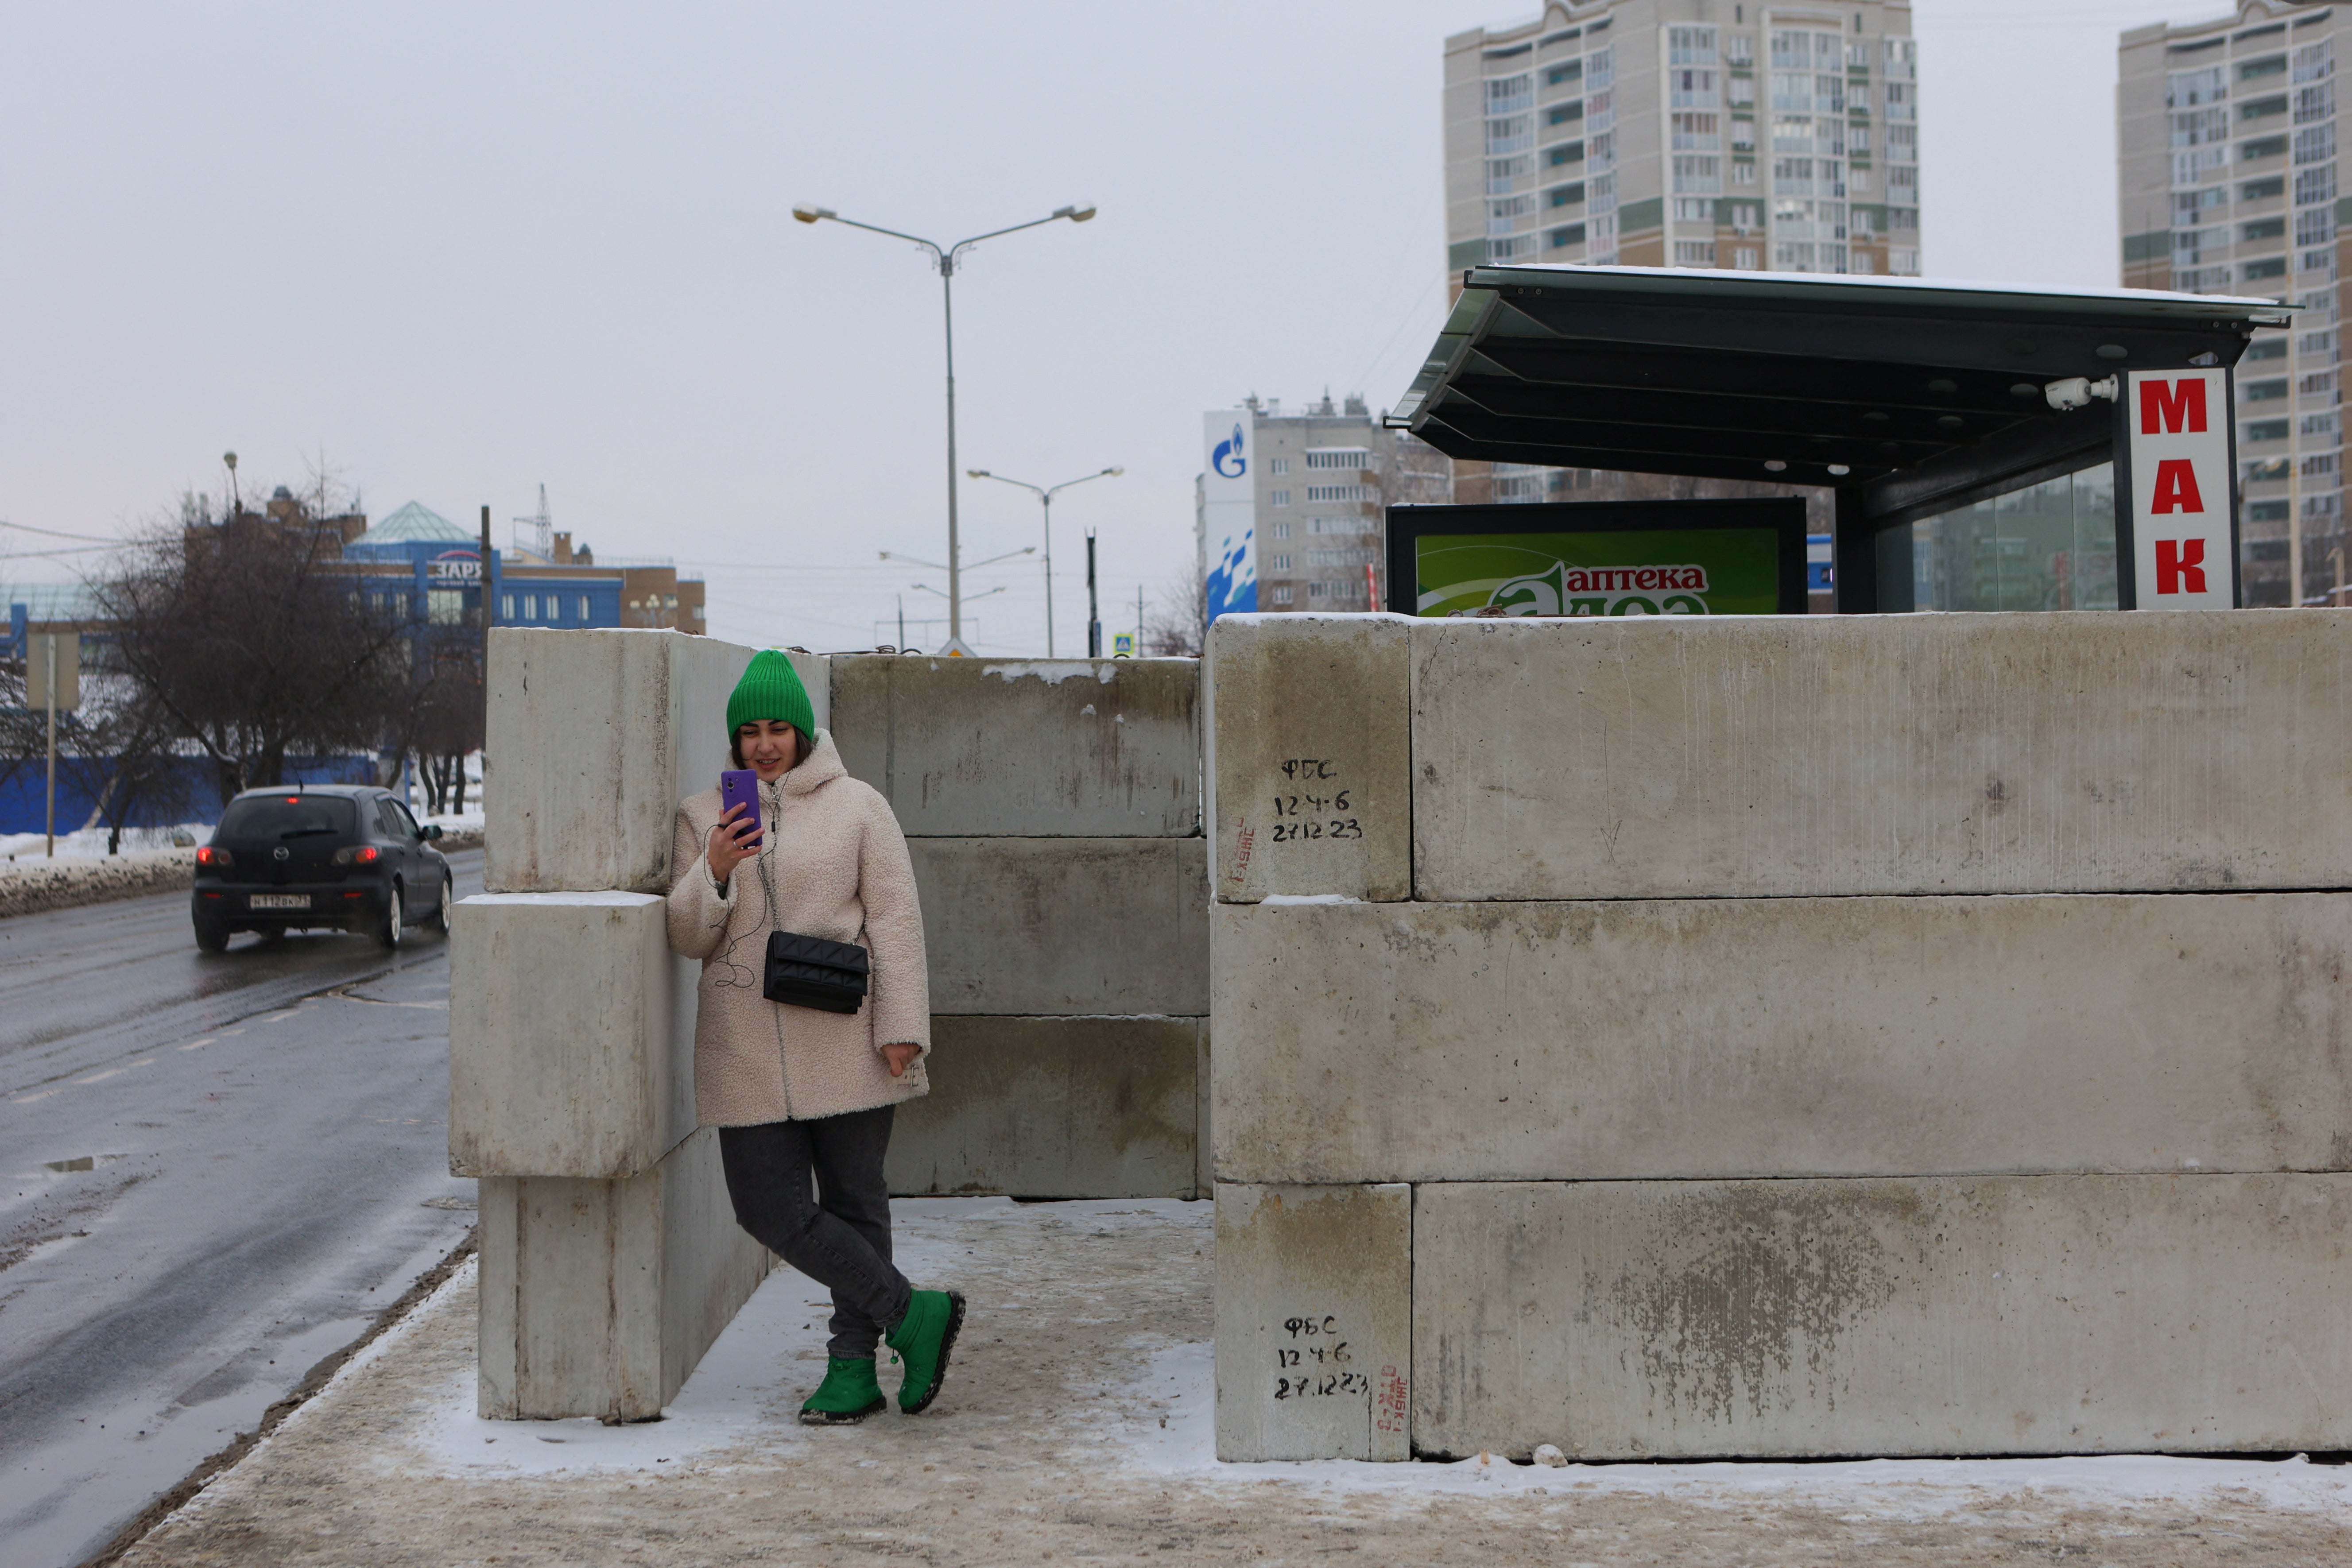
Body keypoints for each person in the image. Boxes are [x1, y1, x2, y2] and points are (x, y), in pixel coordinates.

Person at [665, 649, 962, 1425]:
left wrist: (903, 1030)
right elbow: (687, 932)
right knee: (767, 1207)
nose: (766, 744)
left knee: (857, 1200)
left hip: (848, 1034)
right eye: (751, 732)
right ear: (735, 741)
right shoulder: (704, 817)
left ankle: (852, 1368)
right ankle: (913, 1312)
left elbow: (897, 920)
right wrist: (716, 868)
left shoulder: (860, 806)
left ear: (804, 732)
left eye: (779, 729)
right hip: (743, 1045)